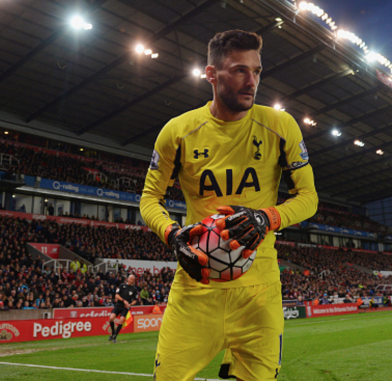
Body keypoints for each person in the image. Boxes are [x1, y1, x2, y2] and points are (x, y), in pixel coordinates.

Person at [140, 29, 318, 381]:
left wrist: (267, 217)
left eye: (257, 71)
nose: (251, 81)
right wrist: (173, 235)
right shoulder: (177, 131)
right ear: (211, 74)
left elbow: (309, 198)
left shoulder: (281, 126)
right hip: (196, 287)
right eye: (239, 70)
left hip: (260, 292)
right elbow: (149, 198)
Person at [108, 274, 139, 343]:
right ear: (128, 279)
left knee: (121, 320)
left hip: (125, 308)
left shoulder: (134, 289)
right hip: (118, 305)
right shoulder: (122, 285)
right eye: (131, 279)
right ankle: (113, 332)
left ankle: (115, 336)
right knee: (111, 318)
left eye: (133, 279)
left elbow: (135, 300)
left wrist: (130, 304)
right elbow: (116, 295)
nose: (131, 280)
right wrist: (123, 300)